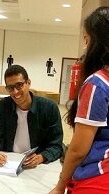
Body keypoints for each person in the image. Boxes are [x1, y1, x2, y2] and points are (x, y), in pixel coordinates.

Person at [49, 7, 109, 194]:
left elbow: (78, 150)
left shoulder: (97, 84)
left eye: (86, 38)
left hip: (97, 178)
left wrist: (60, 185)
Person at [0, 64, 63, 168]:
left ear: (28, 83)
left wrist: (42, 157)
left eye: (19, 85)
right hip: (8, 163)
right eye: (10, 88)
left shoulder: (49, 108)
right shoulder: (3, 107)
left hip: (38, 165)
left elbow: (56, 145)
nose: (15, 92)